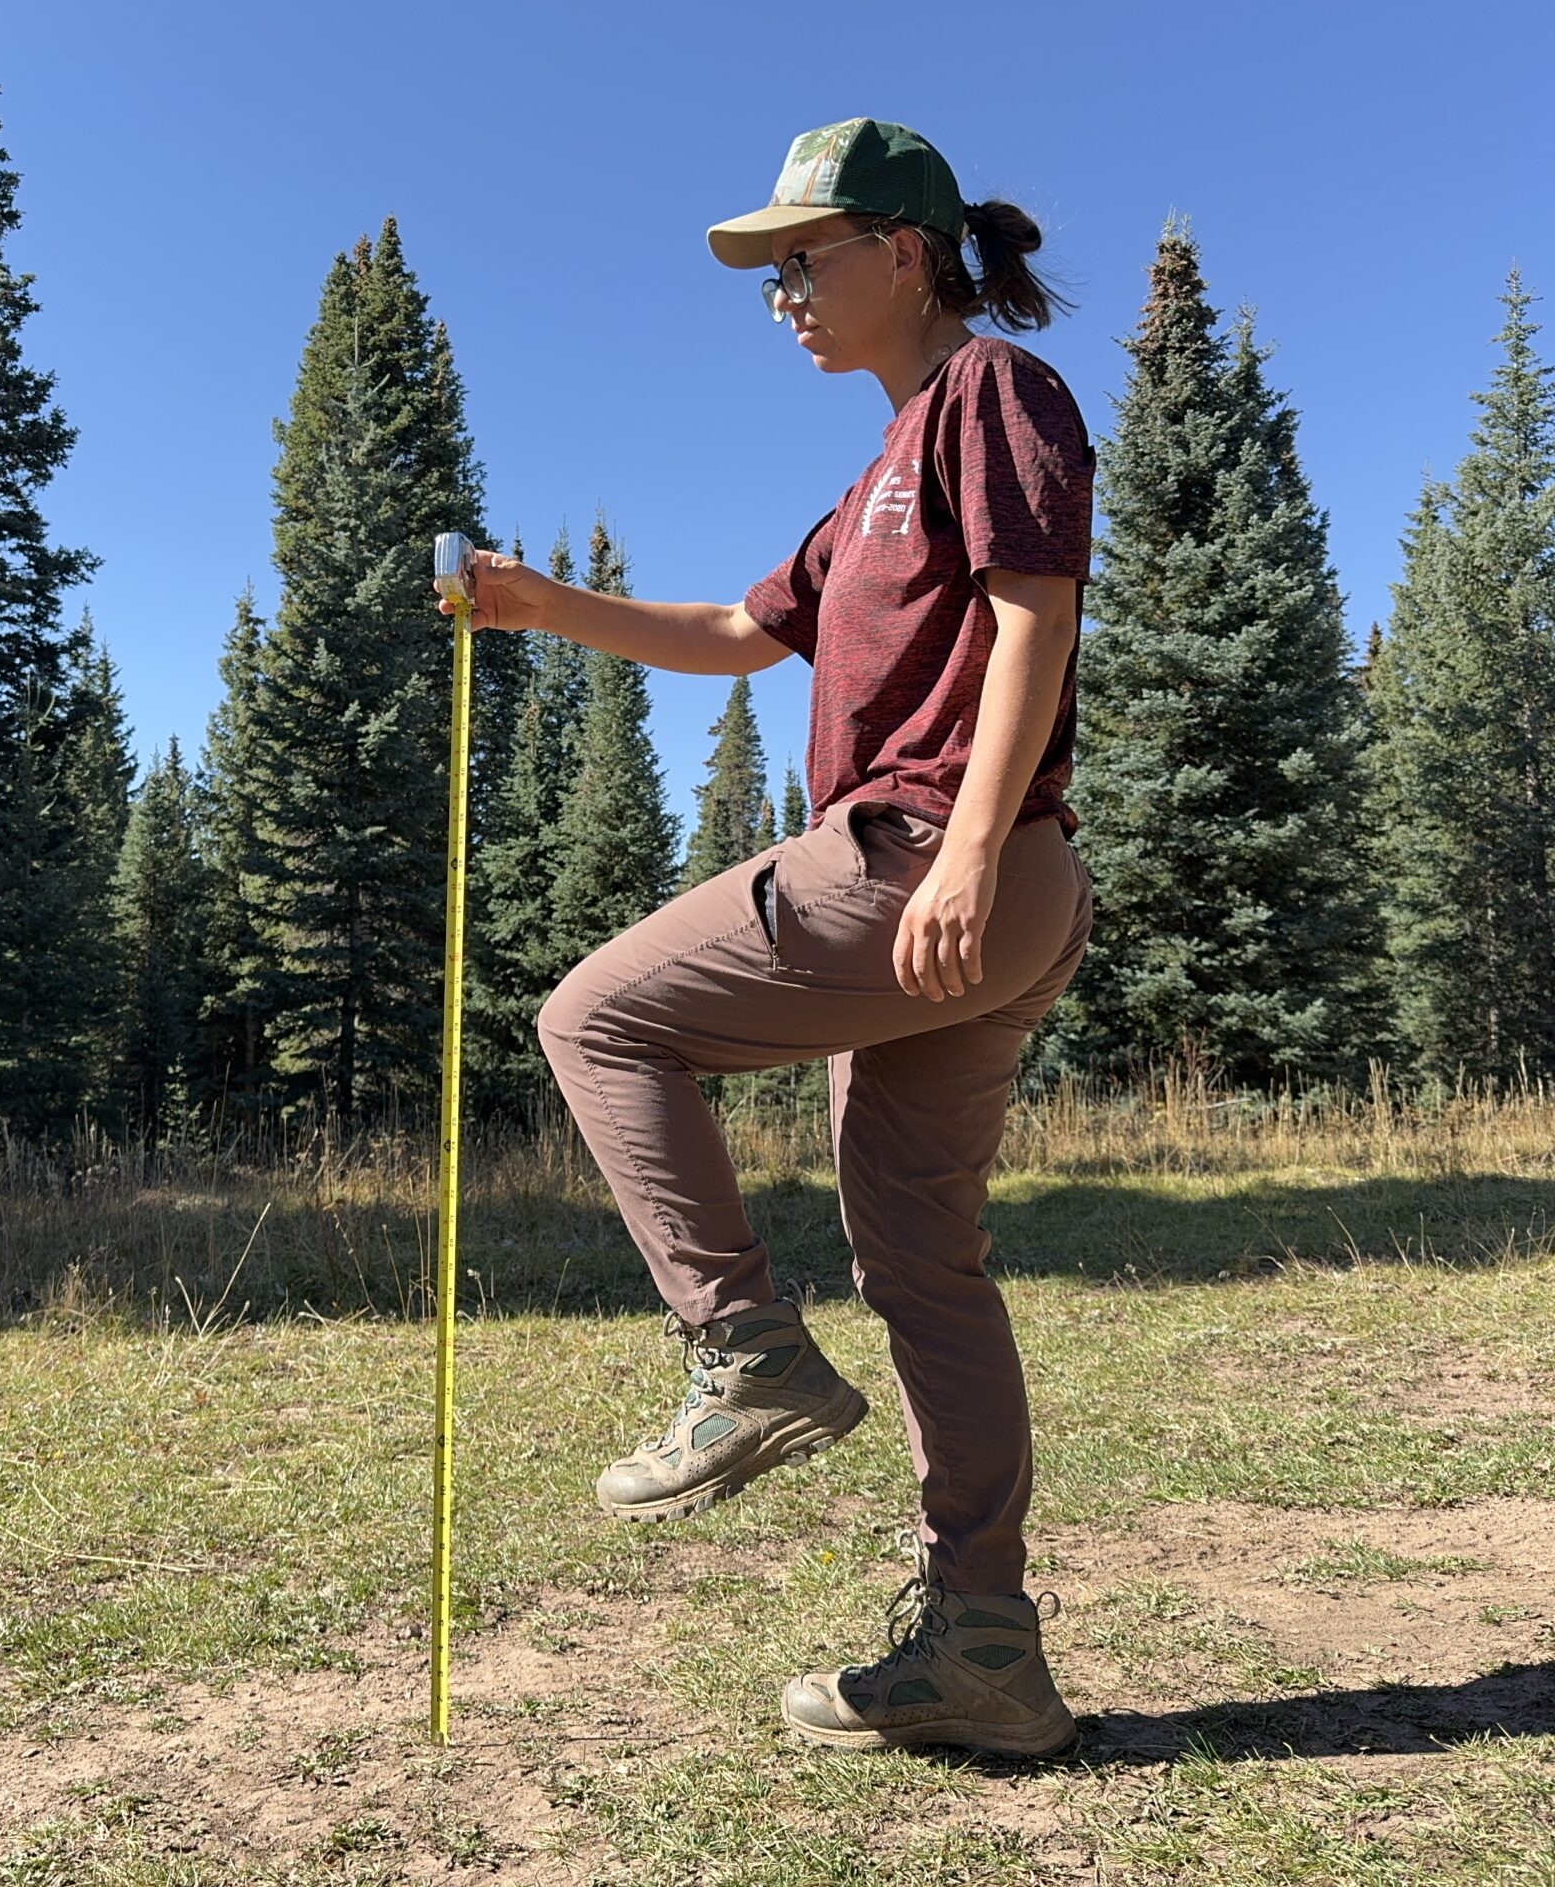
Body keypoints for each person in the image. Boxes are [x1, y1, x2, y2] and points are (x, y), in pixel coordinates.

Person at [436, 118, 1094, 1757]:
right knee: (923, 1261)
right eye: (772, 271)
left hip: (937, 862)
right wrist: (543, 606)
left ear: (906, 253)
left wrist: (961, 852)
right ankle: (986, 1649)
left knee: (596, 1019)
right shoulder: (874, 475)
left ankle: (744, 1355)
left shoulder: (992, 396)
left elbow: (1037, 615)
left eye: (804, 257)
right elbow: (740, 633)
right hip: (973, 891)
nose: (782, 291)